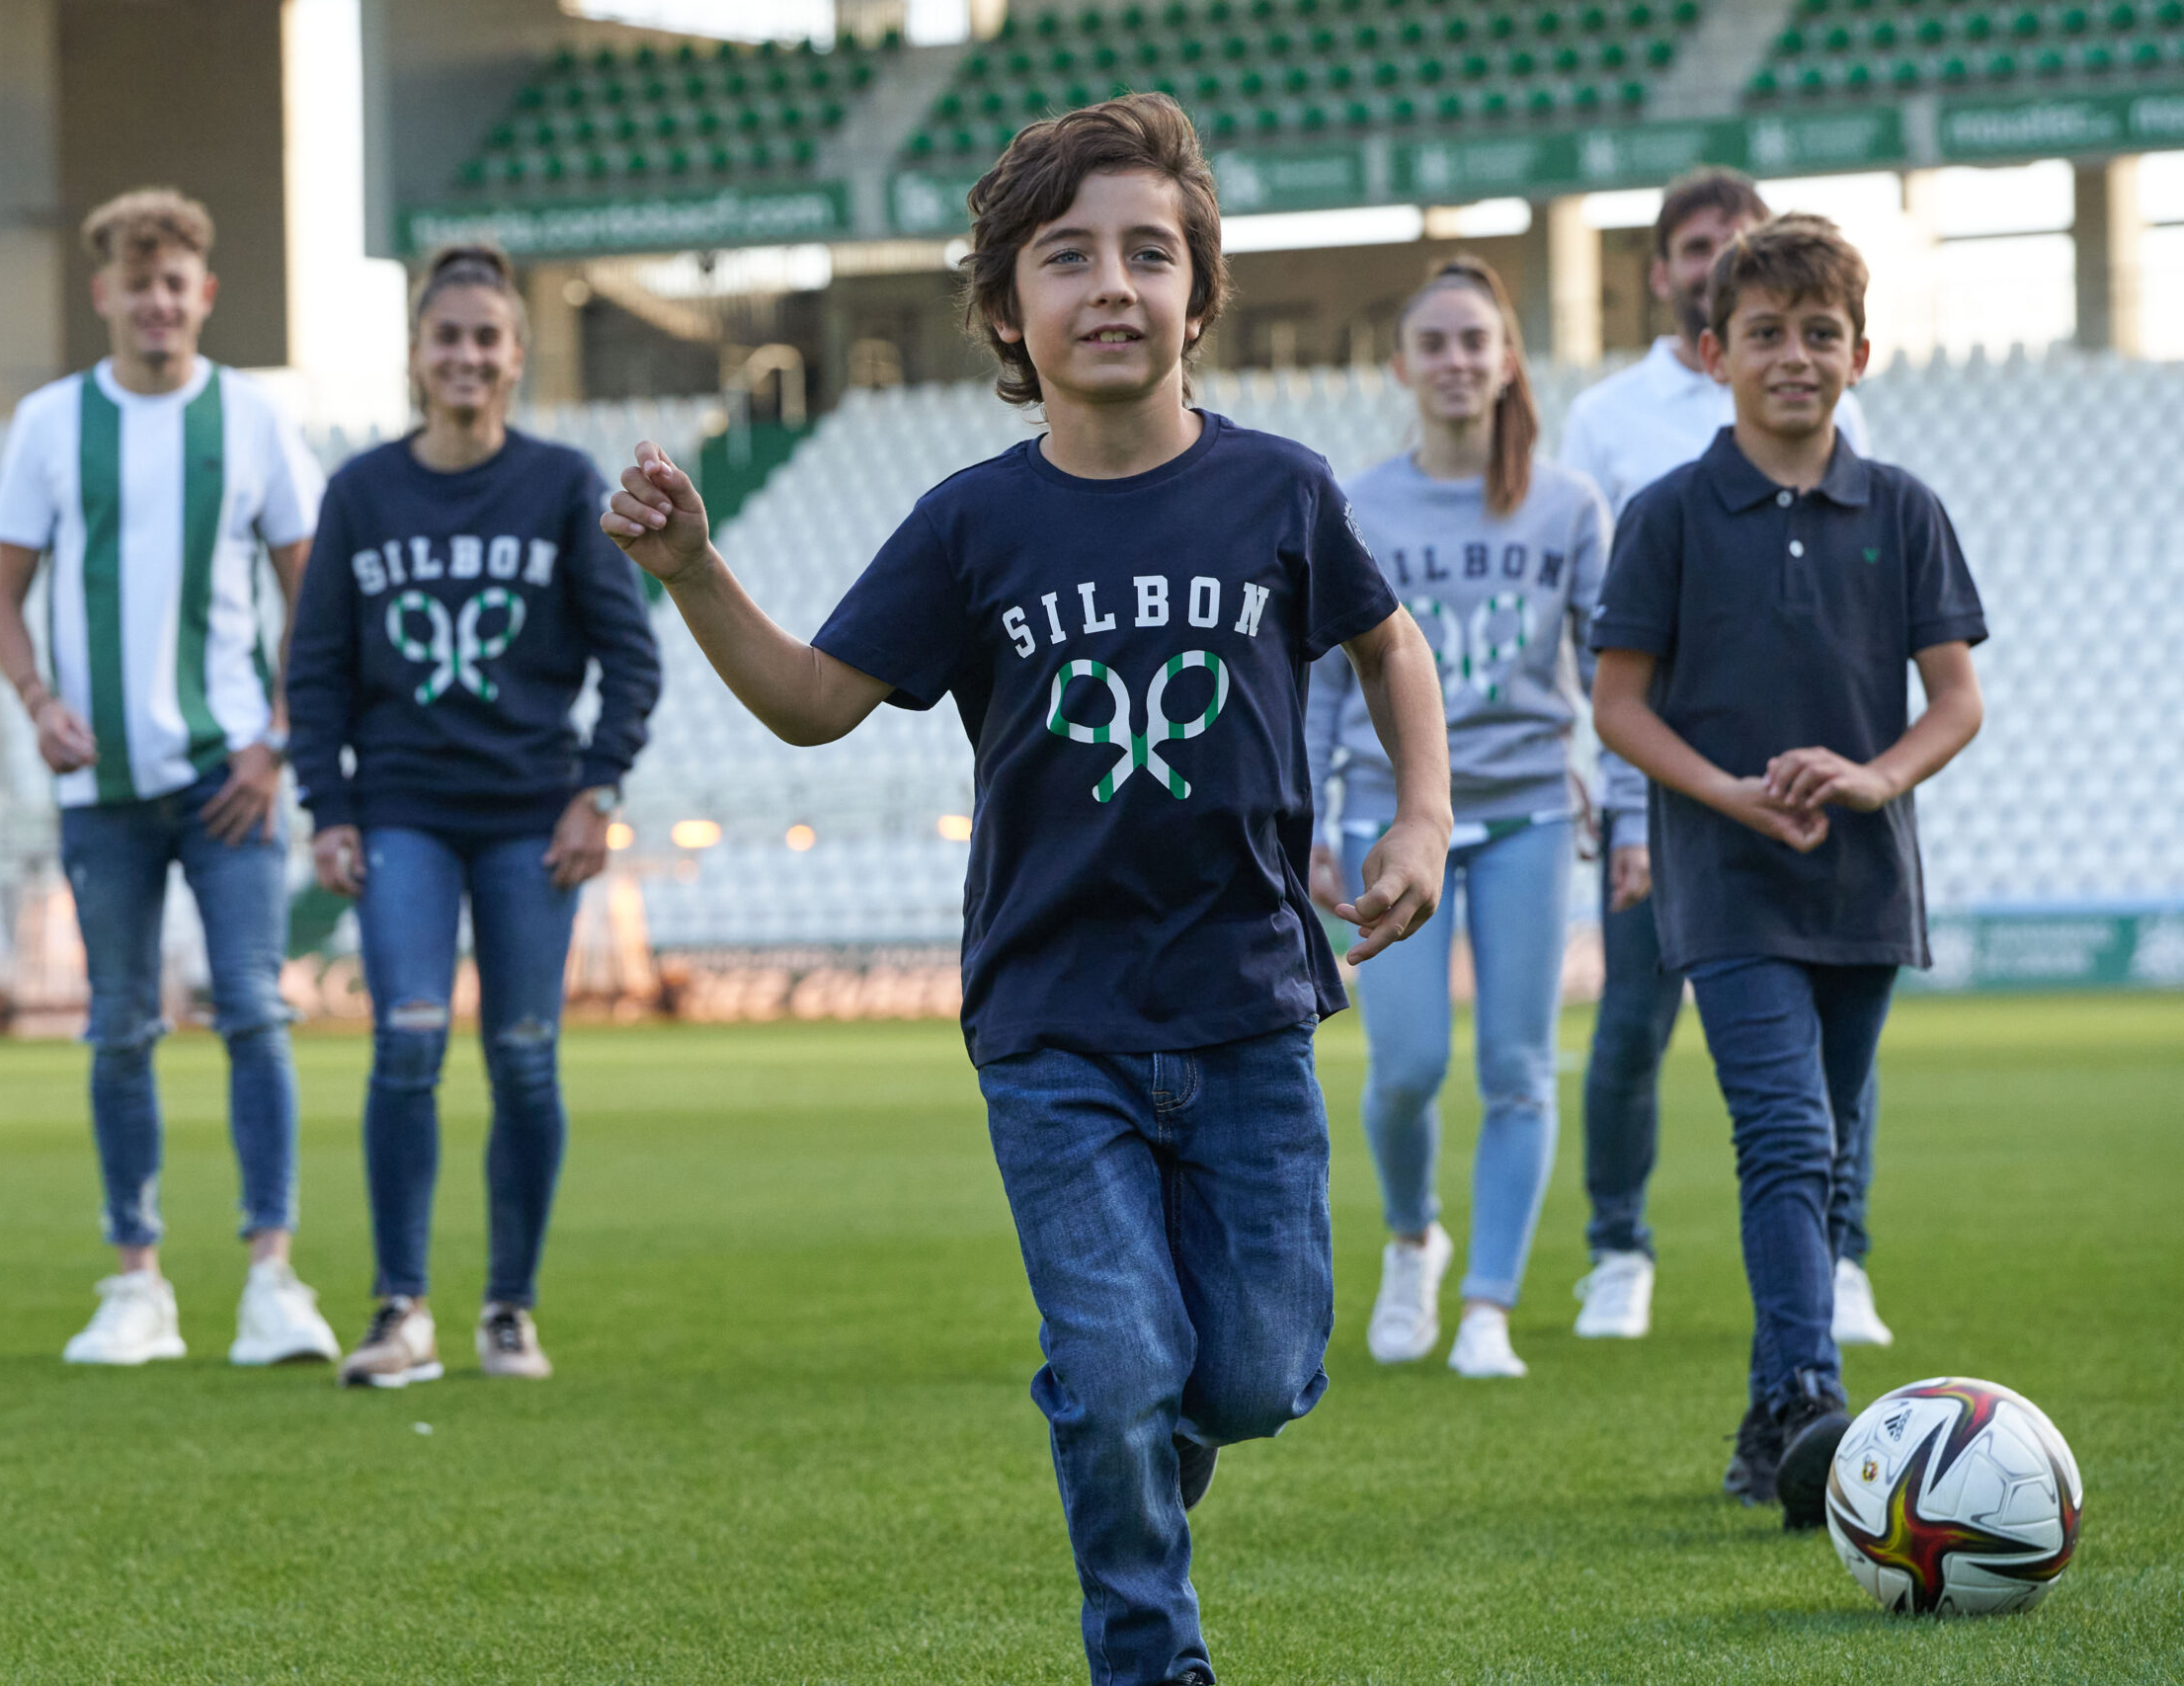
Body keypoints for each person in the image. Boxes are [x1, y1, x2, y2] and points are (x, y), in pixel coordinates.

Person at [601, 93, 1449, 1686]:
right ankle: (1150, 1646)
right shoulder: (973, 523)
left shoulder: (1280, 492)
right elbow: (813, 701)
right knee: (1122, 1367)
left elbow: (1387, 643)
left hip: (1252, 1013)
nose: (1113, 286)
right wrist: (697, 571)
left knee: (1258, 1376)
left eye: (1150, 252)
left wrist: (1421, 815)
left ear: (1201, 289)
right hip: (1056, 1028)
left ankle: (1126, 1438)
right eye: (1068, 258)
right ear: (1007, 308)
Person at [1589, 213, 1985, 1525]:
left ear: (1861, 352)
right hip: (1726, 875)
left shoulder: (1906, 509)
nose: (1796, 356)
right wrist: (1727, 796)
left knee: (1833, 1139)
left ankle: (1775, 1422)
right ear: (1714, 352)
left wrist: (1875, 776)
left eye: (1822, 333)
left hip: (1866, 880)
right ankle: (1810, 1386)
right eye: (1766, 333)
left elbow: (1956, 699)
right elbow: (1619, 704)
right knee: (1788, 1129)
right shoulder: (1668, 516)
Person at [284, 244, 661, 1390]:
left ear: (515, 356)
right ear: (414, 355)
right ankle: (400, 1310)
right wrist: (329, 805)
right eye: (446, 336)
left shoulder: (558, 484)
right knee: (405, 1039)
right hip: (401, 811)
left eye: (486, 337)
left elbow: (630, 656)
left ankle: (508, 1310)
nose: (466, 356)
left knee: (525, 1060)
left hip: (528, 820)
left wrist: (597, 790)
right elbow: (316, 668)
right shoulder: (360, 491)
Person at [0, 187, 338, 1368]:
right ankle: (135, 1282)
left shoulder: (250, 418)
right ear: (105, 296)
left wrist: (277, 735)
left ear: (204, 295)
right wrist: (38, 705)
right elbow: (3, 602)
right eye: (136, 284)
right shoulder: (47, 424)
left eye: (174, 282)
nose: (155, 302)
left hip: (228, 776)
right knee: (120, 1027)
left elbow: (311, 589)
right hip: (103, 788)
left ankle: (272, 1278)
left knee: (252, 1009)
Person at [1557, 168, 1891, 1348]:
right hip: (1678, 803)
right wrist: (1629, 806)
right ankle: (1617, 1249)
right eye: (1701, 243)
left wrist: (1875, 776)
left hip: (1833, 818)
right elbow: (1600, 641)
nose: (1722, 251)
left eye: (1740, 236)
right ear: (1674, 286)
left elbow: (1876, 634)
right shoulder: (1608, 425)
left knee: (1829, 1086)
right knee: (1634, 1031)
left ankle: (1837, 1259)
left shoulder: (1871, 468)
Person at [1303, 257, 1616, 1381]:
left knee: (1520, 1069)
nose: (1454, 361)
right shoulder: (1359, 505)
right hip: (1386, 824)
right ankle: (1410, 1239)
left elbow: (1615, 670)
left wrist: (1617, 802)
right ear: (1400, 364)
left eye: (1474, 340)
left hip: (1529, 811)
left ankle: (1486, 1305)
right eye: (1432, 342)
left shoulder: (1569, 505)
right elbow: (1328, 679)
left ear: (1507, 359)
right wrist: (1308, 811)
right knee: (1404, 1069)